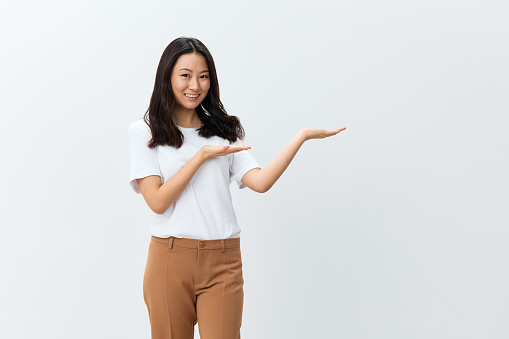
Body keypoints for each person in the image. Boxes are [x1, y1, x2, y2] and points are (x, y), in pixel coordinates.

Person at [127, 36, 346, 339]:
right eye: (185, 75)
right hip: (169, 259)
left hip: (223, 259)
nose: (195, 85)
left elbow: (261, 182)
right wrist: (201, 156)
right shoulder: (145, 132)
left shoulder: (224, 131)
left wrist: (301, 137)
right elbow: (158, 202)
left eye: (203, 76)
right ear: (167, 77)